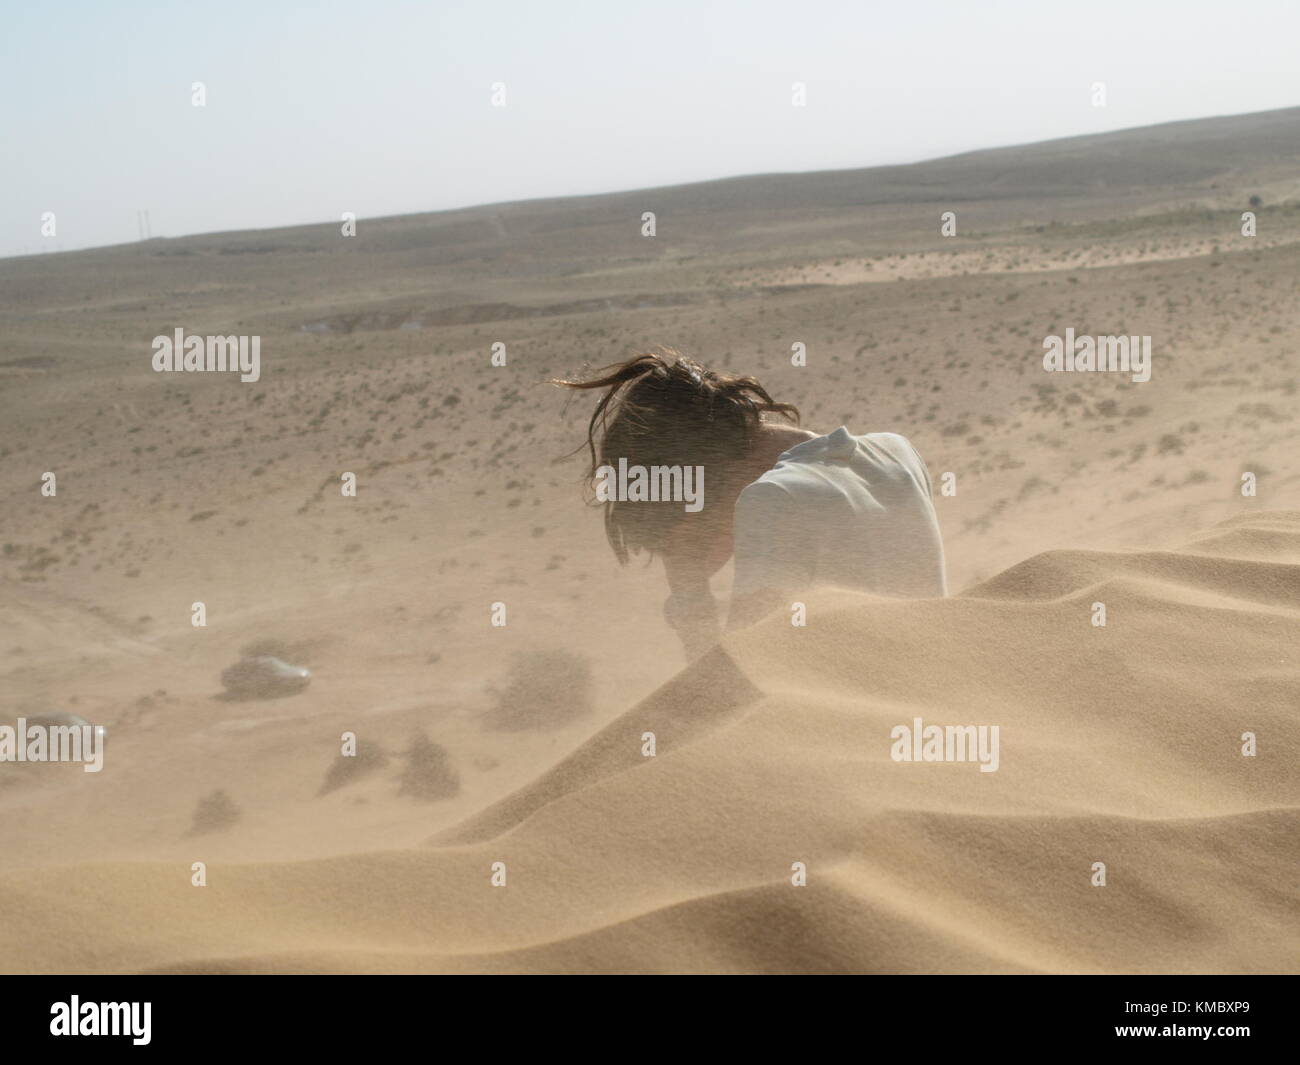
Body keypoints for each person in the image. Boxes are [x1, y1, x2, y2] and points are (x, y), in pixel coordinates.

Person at [554, 350, 947, 658]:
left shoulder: (773, 500)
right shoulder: (895, 450)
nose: (693, 556)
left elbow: (732, 686)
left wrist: (692, 599)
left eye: (689, 538)